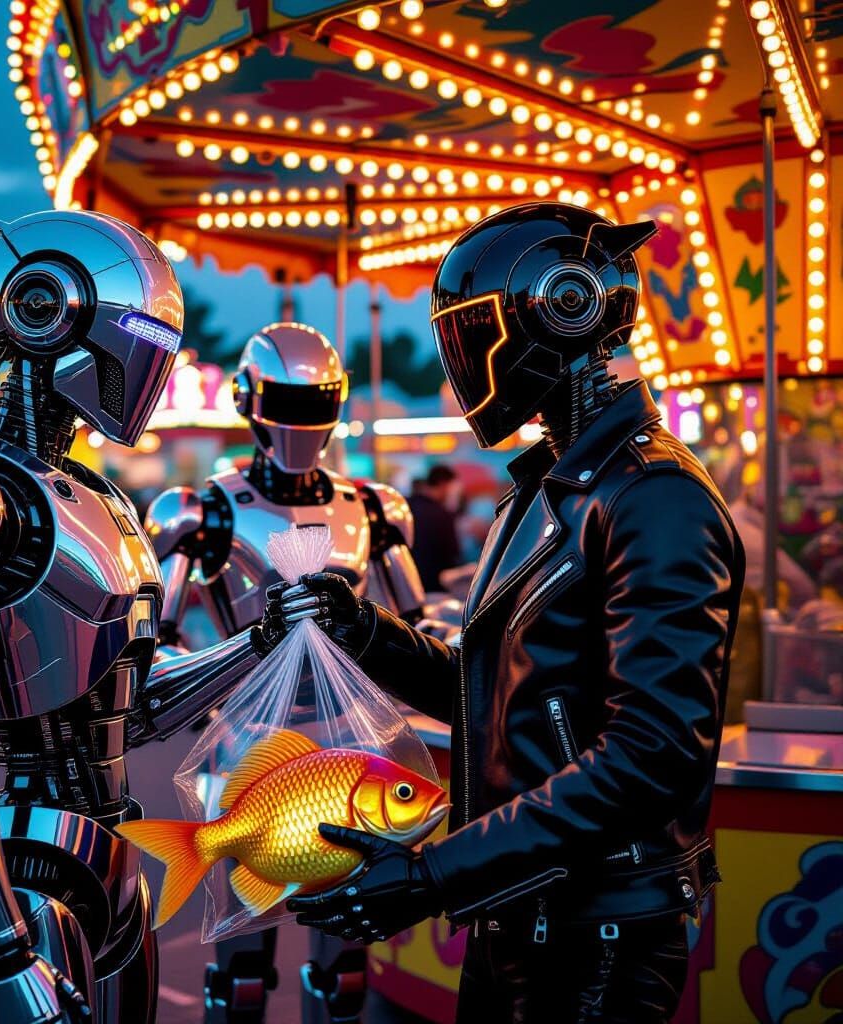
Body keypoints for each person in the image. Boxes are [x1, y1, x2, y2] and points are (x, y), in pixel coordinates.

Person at [258, 203, 745, 1022]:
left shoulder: (653, 497)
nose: (459, 364)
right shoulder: (557, 486)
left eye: (469, 333)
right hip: (527, 906)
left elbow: (651, 753)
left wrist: (435, 874)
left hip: (600, 929)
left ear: (563, 308)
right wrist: (365, 631)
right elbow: (501, 694)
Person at [0, 210, 271, 1024]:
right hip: (27, 865)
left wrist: (264, 641)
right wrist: (4, 949)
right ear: (50, 310)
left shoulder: (98, 497)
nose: (149, 365)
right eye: (139, 335)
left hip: (116, 852)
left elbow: (137, 702)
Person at [145, 321, 430, 1024]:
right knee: (242, 961)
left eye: (317, 405)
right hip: (245, 738)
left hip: (349, 746)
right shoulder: (201, 508)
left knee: (346, 951)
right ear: (250, 400)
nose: (303, 424)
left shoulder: (372, 507)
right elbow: (160, 646)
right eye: (289, 404)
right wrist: (242, 656)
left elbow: (416, 626)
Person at [409, 464, 463, 592]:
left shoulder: (407, 506)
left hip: (407, 587)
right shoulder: (443, 515)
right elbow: (453, 554)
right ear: (444, 484)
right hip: (435, 588)